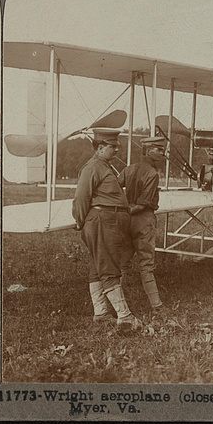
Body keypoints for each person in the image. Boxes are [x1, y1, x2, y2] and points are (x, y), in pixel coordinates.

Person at [73, 127, 140, 332]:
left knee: (98, 266)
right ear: (100, 148)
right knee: (109, 266)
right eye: (113, 146)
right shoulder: (93, 167)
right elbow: (81, 197)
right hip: (102, 220)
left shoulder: (105, 166)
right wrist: (80, 221)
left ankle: (101, 313)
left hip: (109, 220)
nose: (117, 150)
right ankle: (125, 317)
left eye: (117, 146)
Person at [117, 135, 166, 312]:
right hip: (143, 220)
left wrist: (123, 209)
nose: (162, 153)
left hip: (126, 220)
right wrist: (131, 209)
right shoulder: (152, 174)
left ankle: (117, 304)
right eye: (158, 150)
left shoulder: (129, 169)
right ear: (147, 150)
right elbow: (144, 202)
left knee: (122, 262)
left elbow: (114, 187)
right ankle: (157, 306)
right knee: (146, 264)